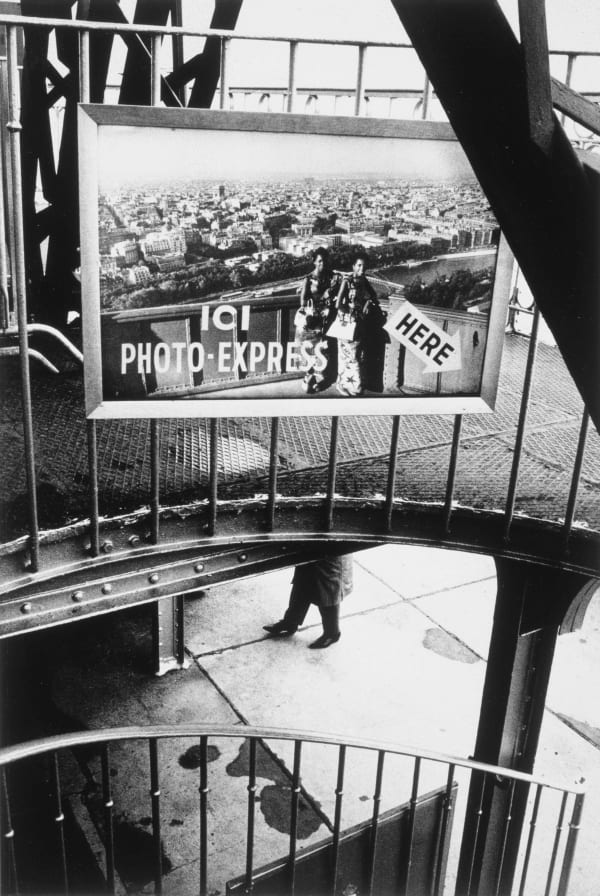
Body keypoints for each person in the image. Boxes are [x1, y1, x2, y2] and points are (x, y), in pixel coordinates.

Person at [263, 554, 353, 649]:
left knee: (327, 587)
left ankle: (332, 633)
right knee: (302, 578)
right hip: (313, 548)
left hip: (331, 551)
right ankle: (291, 622)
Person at [332, 252, 382, 396]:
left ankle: (348, 383)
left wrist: (367, 304)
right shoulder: (347, 282)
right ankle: (350, 384)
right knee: (347, 355)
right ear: (353, 266)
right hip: (346, 324)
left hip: (358, 324)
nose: (362, 269)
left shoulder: (364, 281)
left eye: (364, 266)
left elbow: (373, 296)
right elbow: (338, 304)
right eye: (359, 265)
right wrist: (349, 312)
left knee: (354, 355)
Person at [295, 247, 339, 393]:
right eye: (319, 261)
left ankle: (317, 377)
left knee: (322, 349)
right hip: (311, 319)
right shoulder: (308, 279)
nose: (322, 264)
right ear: (314, 262)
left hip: (325, 319)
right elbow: (303, 302)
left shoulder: (332, 277)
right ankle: (309, 376)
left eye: (324, 261)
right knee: (309, 348)